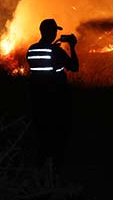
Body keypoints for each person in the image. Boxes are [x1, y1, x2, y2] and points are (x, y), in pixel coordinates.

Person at [26, 18, 79, 169]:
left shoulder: (31, 50)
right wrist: (72, 47)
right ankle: (54, 174)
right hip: (56, 102)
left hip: (38, 101)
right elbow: (74, 67)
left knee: (41, 141)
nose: (56, 33)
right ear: (50, 32)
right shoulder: (56, 51)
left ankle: (39, 173)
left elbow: (44, 64)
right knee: (57, 142)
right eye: (55, 30)